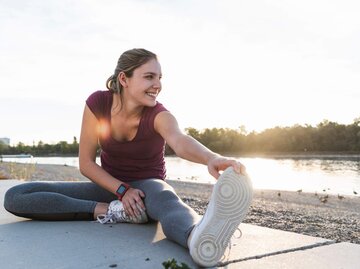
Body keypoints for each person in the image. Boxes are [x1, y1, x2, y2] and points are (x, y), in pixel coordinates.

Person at [4, 48, 253, 267]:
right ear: (124, 78)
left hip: (147, 191)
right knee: (16, 196)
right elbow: (86, 164)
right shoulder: (97, 104)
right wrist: (121, 193)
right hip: (109, 188)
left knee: (166, 199)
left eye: (159, 77)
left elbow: (179, 140)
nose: (158, 84)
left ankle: (197, 237)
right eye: (149, 76)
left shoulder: (159, 114)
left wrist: (211, 157)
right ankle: (110, 211)